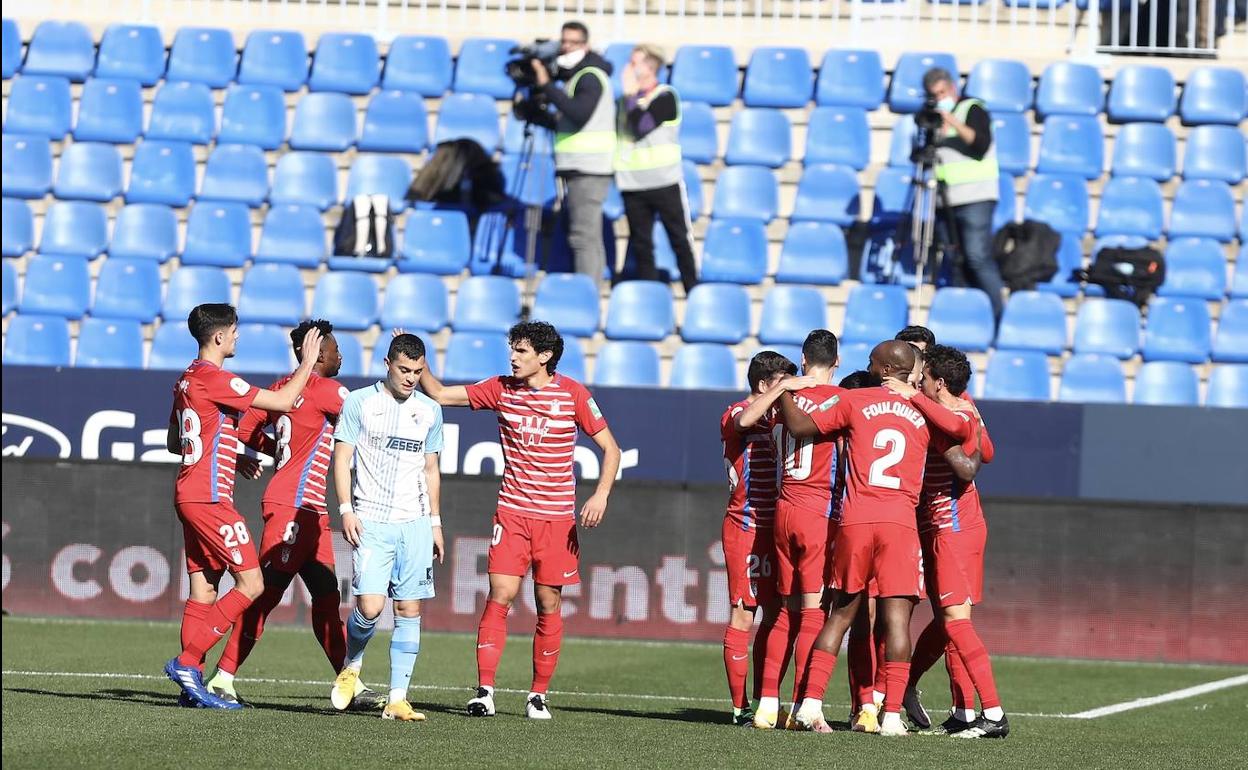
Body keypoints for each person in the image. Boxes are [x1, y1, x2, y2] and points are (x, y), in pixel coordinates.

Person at [418, 321, 622, 720]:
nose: (513, 357)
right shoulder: (500, 388)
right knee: (501, 595)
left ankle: (537, 695)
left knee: (548, 602)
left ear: (544, 357)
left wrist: (600, 494)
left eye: (522, 351)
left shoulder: (574, 395)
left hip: (556, 520)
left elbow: (610, 449)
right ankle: (485, 691)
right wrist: (419, 361)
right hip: (512, 514)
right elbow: (440, 393)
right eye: (513, 349)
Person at [779, 341, 971, 735]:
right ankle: (891, 717)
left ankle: (810, 703)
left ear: (884, 368)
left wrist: (783, 391)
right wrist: (928, 404)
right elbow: (962, 443)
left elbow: (799, 427)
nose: (866, 367)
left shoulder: (856, 400)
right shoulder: (922, 409)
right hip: (900, 525)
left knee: (842, 614)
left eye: (871, 362)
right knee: (898, 621)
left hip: (856, 520)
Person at [204, 320, 383, 710]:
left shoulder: (280, 389)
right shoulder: (329, 390)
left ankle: (348, 684)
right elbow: (372, 420)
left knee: (325, 596)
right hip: (293, 508)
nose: (340, 355)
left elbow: (244, 429)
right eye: (335, 348)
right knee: (265, 596)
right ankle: (223, 677)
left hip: (308, 511)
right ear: (317, 352)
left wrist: (275, 452)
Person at [163, 303, 322, 709]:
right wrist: (306, 363)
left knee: (204, 588)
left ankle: (191, 685)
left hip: (188, 492)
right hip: (211, 498)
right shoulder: (216, 378)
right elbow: (285, 401)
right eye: (234, 332)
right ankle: (187, 662)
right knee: (251, 584)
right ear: (218, 337)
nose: (237, 337)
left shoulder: (185, 379)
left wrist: (232, 452)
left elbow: (175, 441)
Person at [894, 345, 1009, 739]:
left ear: (938, 382)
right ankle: (962, 713)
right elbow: (986, 448)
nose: (917, 382)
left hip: (953, 527)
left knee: (956, 622)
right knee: (948, 622)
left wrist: (911, 398)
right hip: (953, 526)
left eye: (922, 377)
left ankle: (993, 714)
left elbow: (974, 445)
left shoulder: (954, 412)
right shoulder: (960, 407)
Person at [330, 333, 445, 722]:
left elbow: (431, 469)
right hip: (372, 519)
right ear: (387, 364)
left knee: (409, 608)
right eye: (404, 369)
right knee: (370, 607)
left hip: (413, 522)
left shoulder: (430, 410)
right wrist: (346, 509)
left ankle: (398, 699)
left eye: (418, 371)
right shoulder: (360, 403)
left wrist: (435, 524)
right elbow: (342, 456)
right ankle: (352, 664)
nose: (411, 378)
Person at [737, 331, 838, 729]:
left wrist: (785, 388)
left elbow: (748, 418)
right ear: (836, 361)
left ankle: (765, 705)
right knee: (813, 612)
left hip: (783, 510)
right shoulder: (839, 400)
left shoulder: (782, 402)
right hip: (817, 510)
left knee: (782, 611)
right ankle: (802, 707)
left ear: (802, 357)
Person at [718, 351, 798, 725]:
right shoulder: (737, 412)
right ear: (765, 384)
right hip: (746, 527)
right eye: (781, 384)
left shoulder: (780, 419)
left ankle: (767, 700)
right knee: (743, 612)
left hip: (780, 528)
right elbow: (745, 418)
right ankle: (739, 707)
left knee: (779, 614)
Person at [517, 21, 616, 284]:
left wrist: (547, 85)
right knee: (581, 236)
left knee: (584, 237)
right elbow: (567, 123)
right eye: (563, 41)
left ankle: (588, 295)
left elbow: (578, 113)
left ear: (586, 45)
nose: (566, 47)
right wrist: (536, 116)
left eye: (573, 42)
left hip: (590, 167)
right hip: (577, 165)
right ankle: (585, 291)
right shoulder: (575, 78)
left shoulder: (590, 77)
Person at [923, 67, 1005, 322]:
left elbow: (981, 144)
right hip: (946, 199)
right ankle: (965, 318)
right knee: (954, 260)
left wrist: (953, 122)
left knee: (977, 257)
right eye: (934, 95)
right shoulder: (933, 118)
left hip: (976, 196)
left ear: (952, 88)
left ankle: (998, 317)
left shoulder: (972, 108)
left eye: (942, 92)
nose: (940, 98)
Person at [615, 44, 698, 294]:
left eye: (634, 63)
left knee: (679, 240)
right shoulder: (625, 100)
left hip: (664, 180)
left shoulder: (665, 96)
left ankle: (692, 290)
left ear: (650, 67)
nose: (628, 69)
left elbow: (641, 126)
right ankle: (649, 295)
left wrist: (631, 97)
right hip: (632, 181)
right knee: (641, 244)